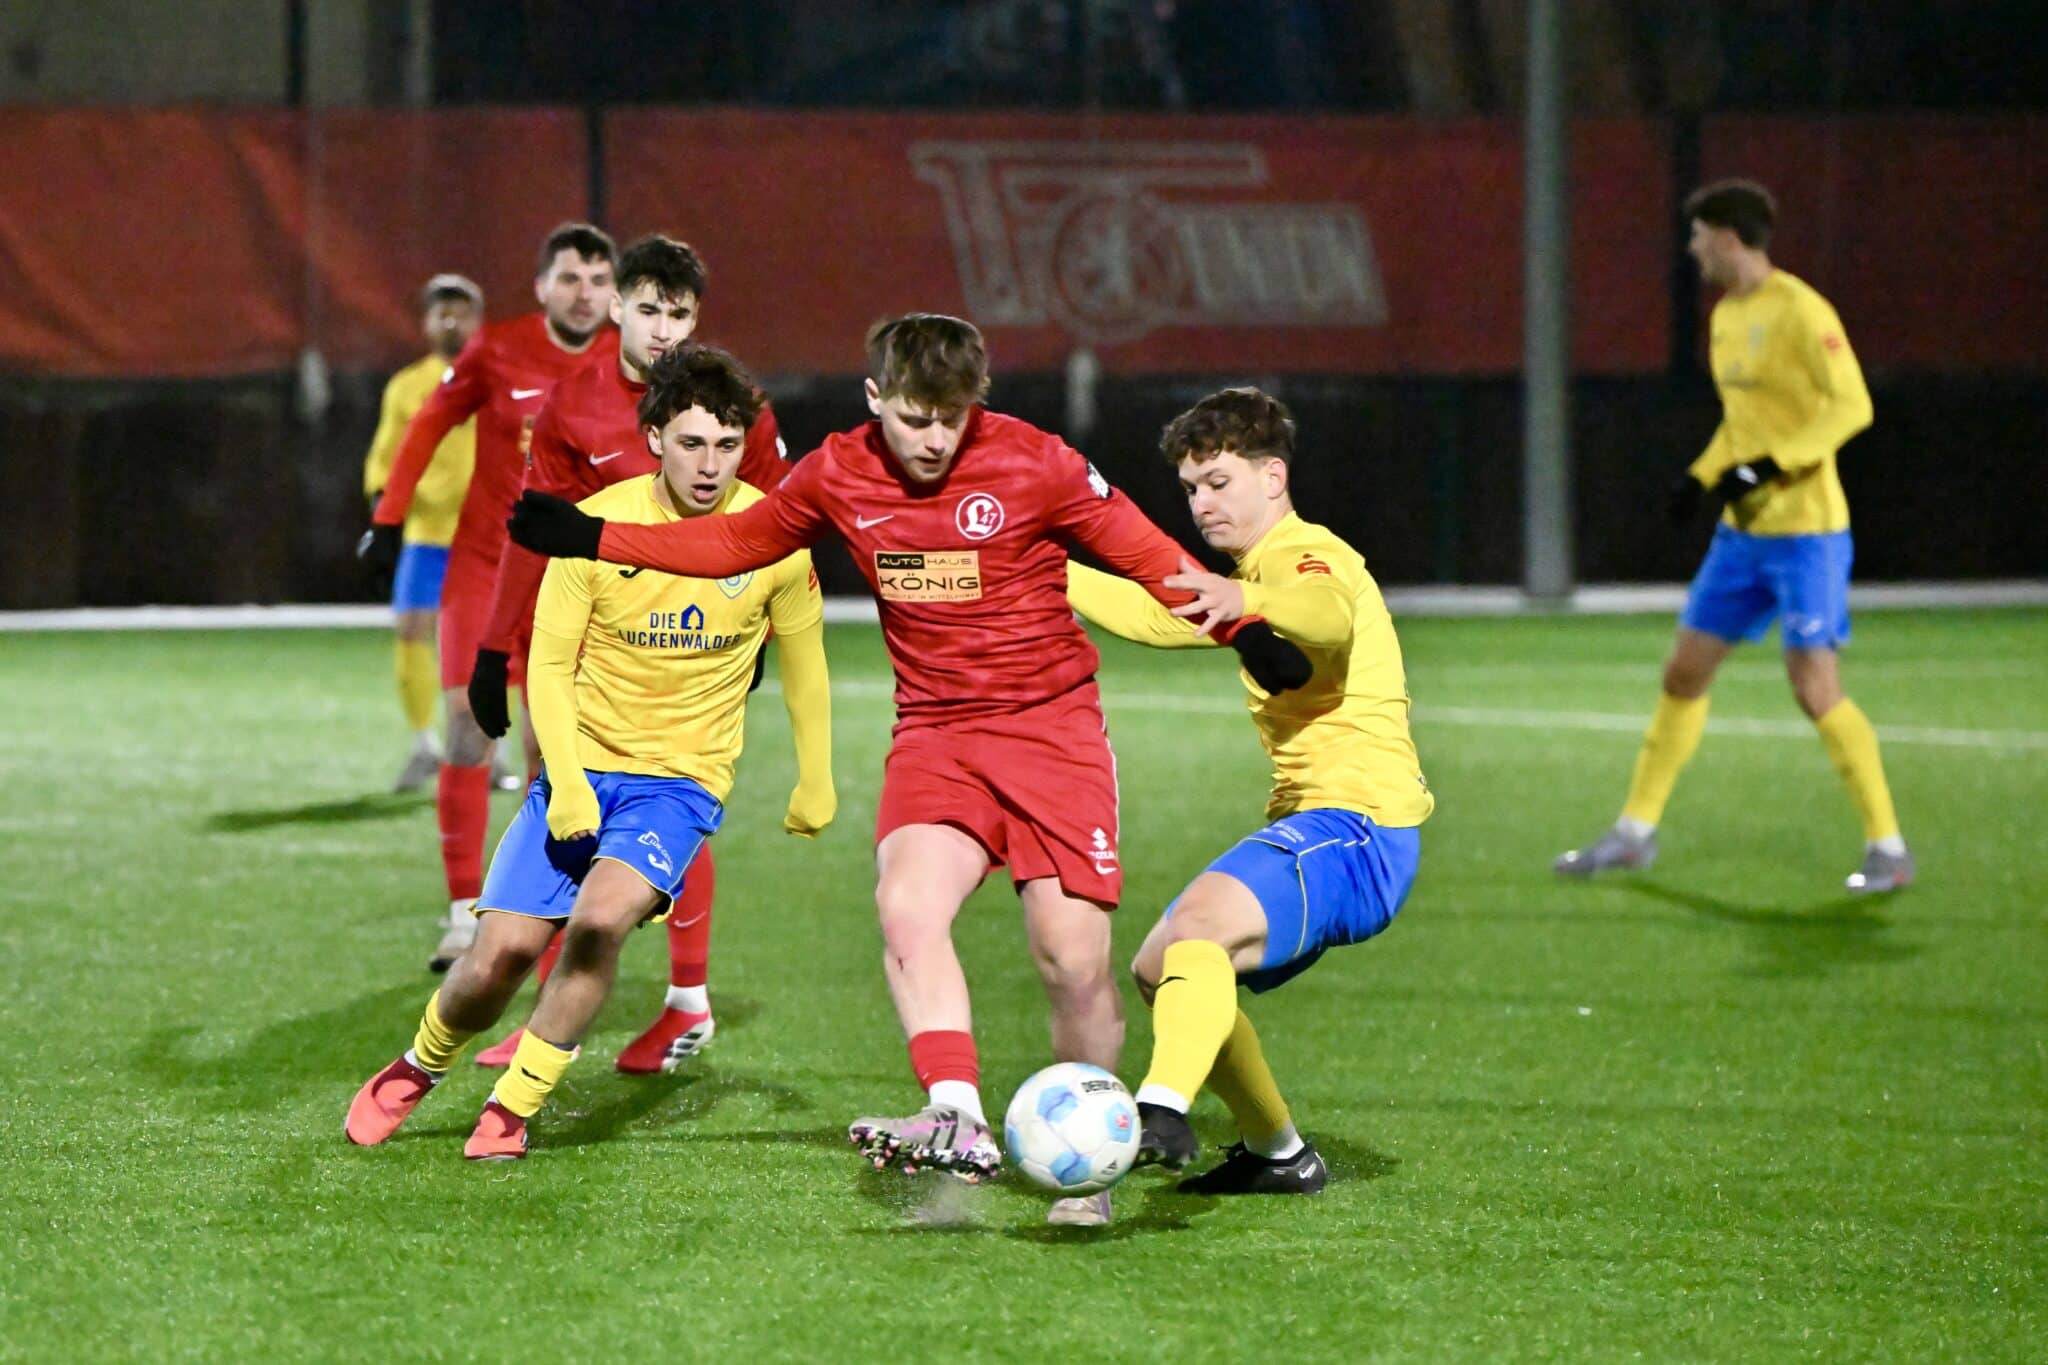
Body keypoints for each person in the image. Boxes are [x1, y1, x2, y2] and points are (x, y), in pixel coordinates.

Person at [507, 314, 1307, 1225]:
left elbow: (1143, 551)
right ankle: (955, 1112)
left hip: (1052, 733)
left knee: (1072, 959)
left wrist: (1246, 630)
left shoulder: (1035, 462)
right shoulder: (837, 472)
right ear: (874, 398)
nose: (933, 439)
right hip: (936, 733)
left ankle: (1094, 1171)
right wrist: (594, 537)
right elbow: (739, 542)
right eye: (915, 418)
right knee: (906, 903)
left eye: (952, 419)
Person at [345, 344, 835, 1161]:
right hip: (580, 769)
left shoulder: (772, 536)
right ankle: (418, 1065)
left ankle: (513, 1104)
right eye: (691, 443)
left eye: (727, 445)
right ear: (655, 439)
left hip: (678, 785)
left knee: (598, 924)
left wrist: (816, 775)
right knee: (496, 958)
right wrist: (566, 785)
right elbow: (548, 666)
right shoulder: (597, 525)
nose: (710, 464)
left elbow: (806, 661)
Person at [1065, 386, 1430, 1194]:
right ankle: (1279, 1153)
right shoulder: (1252, 573)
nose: (1201, 503)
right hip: (1325, 827)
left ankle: (1159, 1106)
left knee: (1199, 925)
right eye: (1190, 487)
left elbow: (1327, 616)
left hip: (1361, 828)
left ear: (1273, 476)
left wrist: (1249, 597)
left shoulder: (1308, 555)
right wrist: (1042, 569)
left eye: (1218, 481)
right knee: (1161, 966)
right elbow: (1157, 613)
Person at [463, 233, 791, 1074]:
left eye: (679, 313)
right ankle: (551, 1006)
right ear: (617, 308)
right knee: (557, 799)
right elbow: (534, 531)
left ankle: (687, 1000)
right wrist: (494, 649)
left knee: (672, 795)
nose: (664, 329)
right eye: (648, 310)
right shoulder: (573, 404)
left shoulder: (732, 406)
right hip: (588, 645)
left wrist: (760, 636)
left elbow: (781, 527)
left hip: (693, 643)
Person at [1554, 180, 1911, 892]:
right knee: (1683, 673)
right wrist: (1701, 476)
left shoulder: (1802, 310)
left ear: (1726, 236)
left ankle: (1889, 848)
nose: (1692, 250)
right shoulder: (1725, 317)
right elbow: (1743, 423)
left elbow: (1852, 406)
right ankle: (1634, 834)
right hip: (1742, 538)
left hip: (1808, 535)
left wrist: (1775, 464)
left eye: (1697, 237)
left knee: (1814, 688)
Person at [358, 223, 620, 972]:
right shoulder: (498, 349)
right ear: (541, 286)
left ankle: (538, 911)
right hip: (482, 566)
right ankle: (461, 914)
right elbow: (430, 422)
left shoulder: (629, 361)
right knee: (470, 729)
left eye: (598, 281)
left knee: (553, 750)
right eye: (569, 279)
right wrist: (389, 516)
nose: (584, 294)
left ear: (614, 293)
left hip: (569, 579)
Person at [360, 274, 483, 791]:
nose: (451, 322)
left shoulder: (503, 382)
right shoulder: (408, 386)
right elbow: (384, 459)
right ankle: (423, 745)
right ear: (427, 323)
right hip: (427, 533)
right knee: (411, 631)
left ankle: (487, 751)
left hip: (486, 537)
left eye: (460, 313)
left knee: (487, 645)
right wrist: (382, 515)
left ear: (478, 321)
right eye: (441, 313)